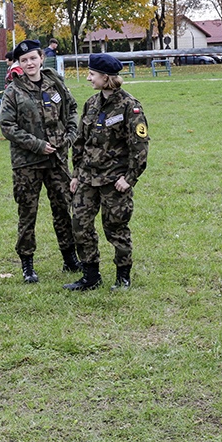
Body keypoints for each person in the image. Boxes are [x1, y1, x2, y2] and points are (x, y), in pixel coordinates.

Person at [65, 54, 150, 291]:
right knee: (80, 225)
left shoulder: (129, 106)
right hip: (87, 178)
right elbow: (81, 141)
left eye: (92, 74)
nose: (89, 78)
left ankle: (123, 277)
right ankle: (90, 276)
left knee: (116, 228)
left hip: (115, 180)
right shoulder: (91, 103)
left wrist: (129, 178)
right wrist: (76, 174)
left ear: (106, 77)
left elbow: (140, 146)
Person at [0, 39, 81, 284]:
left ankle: (69, 257)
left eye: (33, 58)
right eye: (24, 60)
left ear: (41, 58)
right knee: (27, 213)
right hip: (27, 163)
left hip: (57, 159)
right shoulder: (13, 91)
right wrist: (36, 144)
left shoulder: (54, 83)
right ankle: (27, 264)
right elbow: (7, 126)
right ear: (19, 64)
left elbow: (72, 108)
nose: (29, 63)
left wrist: (70, 135)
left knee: (62, 209)